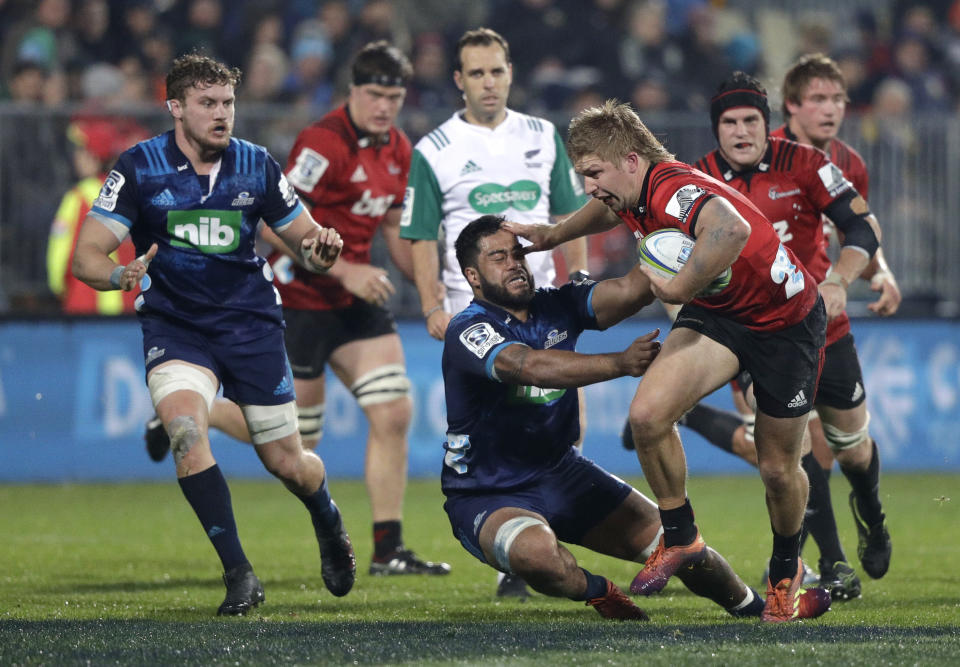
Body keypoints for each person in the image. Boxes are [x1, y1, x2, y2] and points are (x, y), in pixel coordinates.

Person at [507, 100, 832, 623]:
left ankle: (785, 570)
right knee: (647, 417)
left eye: (594, 173)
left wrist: (677, 288)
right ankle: (681, 536)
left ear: (631, 160)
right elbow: (608, 208)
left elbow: (730, 230)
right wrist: (553, 234)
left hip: (785, 325)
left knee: (776, 468)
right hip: (724, 314)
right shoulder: (633, 189)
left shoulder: (670, 188)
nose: (589, 185)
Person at [145, 42, 450, 578]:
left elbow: (393, 229)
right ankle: (200, 411)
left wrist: (429, 279)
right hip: (303, 300)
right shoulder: (322, 143)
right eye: (375, 94)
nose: (384, 107)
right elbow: (272, 224)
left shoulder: (398, 148)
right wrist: (344, 269)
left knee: (394, 411)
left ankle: (388, 548)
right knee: (298, 442)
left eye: (394, 97)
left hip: (356, 305)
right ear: (354, 91)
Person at [72, 53, 356, 615]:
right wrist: (118, 276)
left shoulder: (256, 165)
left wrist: (321, 249)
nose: (221, 114)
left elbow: (306, 242)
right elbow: (85, 255)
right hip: (176, 327)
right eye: (207, 104)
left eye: (227, 103)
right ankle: (239, 574)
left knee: (288, 463)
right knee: (184, 431)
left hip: (251, 326)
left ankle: (327, 519)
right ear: (175, 107)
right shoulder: (138, 167)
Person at [441, 214, 830, 621]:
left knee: (681, 549)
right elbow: (527, 366)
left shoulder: (556, 304)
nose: (514, 263)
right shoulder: (469, 328)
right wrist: (620, 362)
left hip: (562, 474)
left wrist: (693, 250)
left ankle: (755, 608)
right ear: (473, 276)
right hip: (487, 491)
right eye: (498, 257)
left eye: (518, 253)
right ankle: (598, 590)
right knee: (537, 554)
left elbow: (629, 290)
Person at [655, 67, 895, 599]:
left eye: (751, 121)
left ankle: (872, 516)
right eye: (730, 123)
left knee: (852, 448)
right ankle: (831, 562)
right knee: (793, 453)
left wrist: (839, 281)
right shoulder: (693, 182)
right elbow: (671, 253)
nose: (741, 131)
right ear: (716, 130)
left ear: (769, 124)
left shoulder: (809, 164)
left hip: (823, 326)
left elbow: (860, 228)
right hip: (752, 338)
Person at [398, 26, 589, 598]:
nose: (488, 82)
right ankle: (517, 555)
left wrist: (577, 283)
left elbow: (570, 216)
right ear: (458, 81)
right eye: (476, 73)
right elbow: (420, 234)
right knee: (498, 434)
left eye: (496, 71)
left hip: (547, 307)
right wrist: (433, 303)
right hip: (478, 317)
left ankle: (551, 538)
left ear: (510, 73)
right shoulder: (434, 149)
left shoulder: (543, 136)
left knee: (562, 424)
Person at [48, 118, 139, 314]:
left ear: (94, 157)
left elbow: (58, 256)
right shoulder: (132, 193)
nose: (76, 157)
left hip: (85, 308)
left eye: (82, 151)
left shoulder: (78, 197)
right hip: (130, 306)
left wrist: (59, 290)